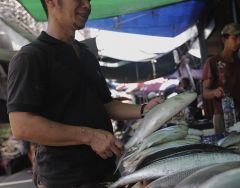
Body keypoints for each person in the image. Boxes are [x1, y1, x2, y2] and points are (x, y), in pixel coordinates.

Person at [7, 0, 161, 187]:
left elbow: (106, 105)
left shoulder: (86, 55)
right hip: (64, 179)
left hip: (106, 172)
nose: (87, 5)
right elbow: (22, 125)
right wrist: (89, 136)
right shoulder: (31, 57)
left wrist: (144, 109)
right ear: (52, 2)